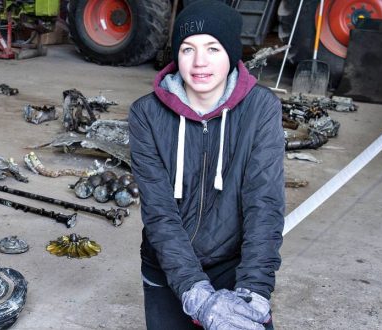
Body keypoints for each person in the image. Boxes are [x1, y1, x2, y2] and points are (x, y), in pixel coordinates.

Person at [128, 1, 285, 329]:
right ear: (176, 55)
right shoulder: (146, 114)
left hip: (234, 265)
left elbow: (264, 203)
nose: (200, 62)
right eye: (187, 49)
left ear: (231, 52)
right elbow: (160, 213)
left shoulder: (261, 109)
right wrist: (195, 293)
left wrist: (254, 290)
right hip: (167, 267)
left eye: (213, 48)